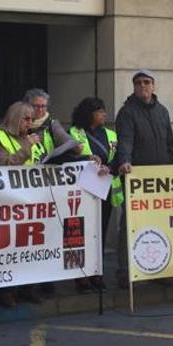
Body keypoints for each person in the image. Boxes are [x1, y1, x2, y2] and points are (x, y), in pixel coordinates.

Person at [113, 69, 173, 288]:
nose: (143, 86)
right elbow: (125, 140)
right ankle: (125, 272)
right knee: (130, 224)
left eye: (147, 82)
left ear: (153, 86)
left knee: (158, 223)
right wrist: (125, 161)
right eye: (138, 82)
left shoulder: (163, 111)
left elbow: (169, 142)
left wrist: (168, 166)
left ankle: (158, 268)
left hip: (159, 178)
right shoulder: (127, 112)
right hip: (136, 177)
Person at [0, 101, 48, 307]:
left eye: (32, 119)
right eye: (26, 118)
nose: (30, 123)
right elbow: (4, 164)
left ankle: (28, 288)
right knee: (9, 247)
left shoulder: (30, 138)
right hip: (9, 201)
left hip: (32, 200)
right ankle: (6, 291)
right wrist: (27, 147)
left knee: (31, 246)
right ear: (16, 118)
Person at [68, 97, 121, 293]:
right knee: (81, 235)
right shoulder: (74, 133)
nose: (104, 114)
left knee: (100, 234)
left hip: (104, 190)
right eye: (100, 111)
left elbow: (119, 157)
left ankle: (96, 273)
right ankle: (81, 277)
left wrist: (110, 167)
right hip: (82, 192)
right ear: (89, 113)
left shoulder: (111, 134)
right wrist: (85, 158)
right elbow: (67, 157)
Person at [23, 89, 77, 163]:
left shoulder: (52, 124)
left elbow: (67, 141)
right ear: (26, 106)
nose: (40, 110)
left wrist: (76, 147)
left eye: (43, 106)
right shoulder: (19, 123)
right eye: (36, 106)